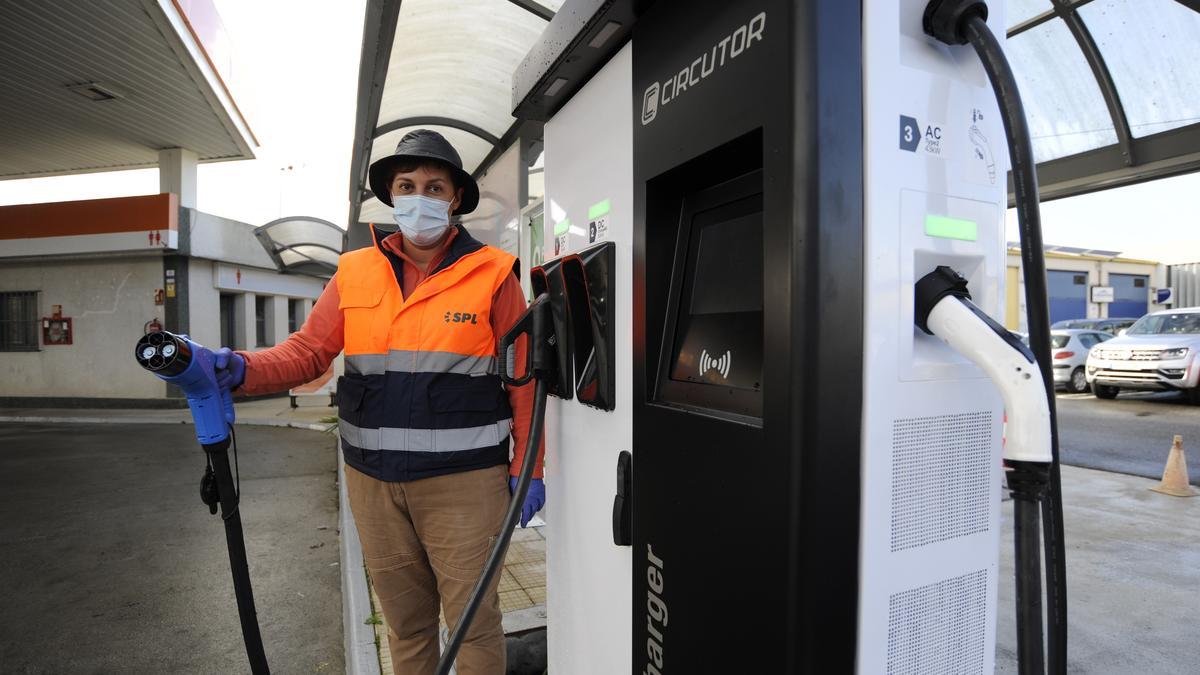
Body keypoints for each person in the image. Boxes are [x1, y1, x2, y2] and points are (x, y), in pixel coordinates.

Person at [208, 129, 545, 675]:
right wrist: (241, 368)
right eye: (407, 185)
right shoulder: (354, 272)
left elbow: (525, 381)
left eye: (435, 186)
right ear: (391, 194)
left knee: (473, 624)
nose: (420, 196)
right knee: (406, 626)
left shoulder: (493, 274)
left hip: (465, 485)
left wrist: (531, 466)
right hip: (373, 485)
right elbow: (309, 353)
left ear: (455, 198)